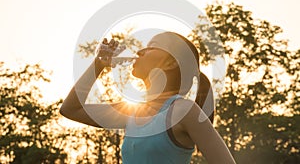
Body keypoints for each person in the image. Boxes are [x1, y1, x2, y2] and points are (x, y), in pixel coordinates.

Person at [60, 31, 236, 164]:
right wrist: (98, 65)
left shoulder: (184, 111)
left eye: (151, 47)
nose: (141, 51)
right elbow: (70, 109)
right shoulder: (132, 112)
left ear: (170, 62)